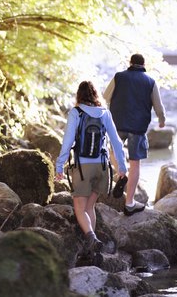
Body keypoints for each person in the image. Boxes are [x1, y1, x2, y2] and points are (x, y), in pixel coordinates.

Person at [55, 81, 127, 255]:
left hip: (82, 167)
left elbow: (67, 142)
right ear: (96, 95)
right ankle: (92, 251)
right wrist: (122, 166)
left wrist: (59, 165)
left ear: (79, 95)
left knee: (80, 208)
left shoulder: (76, 112)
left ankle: (92, 238)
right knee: (89, 208)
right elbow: (116, 142)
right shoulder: (105, 113)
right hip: (102, 167)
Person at [103, 53, 166, 216]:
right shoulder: (150, 81)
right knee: (136, 163)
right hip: (138, 127)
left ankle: (121, 173)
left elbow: (105, 97)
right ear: (144, 64)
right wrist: (161, 119)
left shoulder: (119, 77)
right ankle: (129, 203)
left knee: (113, 151)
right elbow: (158, 106)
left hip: (118, 123)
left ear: (130, 63)